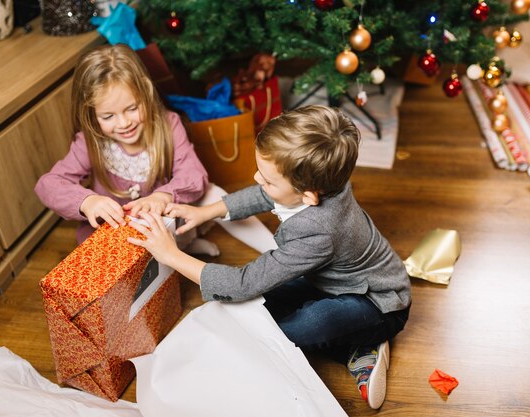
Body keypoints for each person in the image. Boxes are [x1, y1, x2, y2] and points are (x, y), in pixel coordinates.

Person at [128, 105, 412, 410]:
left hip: (378, 304)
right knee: (258, 309)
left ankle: (363, 345)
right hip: (330, 281)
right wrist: (205, 212)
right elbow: (264, 194)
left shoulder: (319, 231)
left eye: (267, 179)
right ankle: (353, 339)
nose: (256, 178)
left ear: (308, 196)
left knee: (294, 330)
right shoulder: (326, 178)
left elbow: (242, 282)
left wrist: (170, 254)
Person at [34, 44, 276, 256]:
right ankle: (181, 253)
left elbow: (193, 175)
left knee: (213, 193)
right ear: (91, 114)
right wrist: (87, 201)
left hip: (168, 229)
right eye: (108, 115)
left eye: (131, 108)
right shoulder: (89, 141)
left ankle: (275, 252)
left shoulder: (168, 124)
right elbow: (48, 184)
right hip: (122, 241)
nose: (123, 123)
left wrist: (164, 196)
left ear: (146, 94)